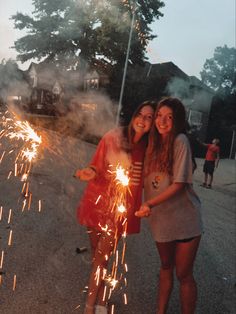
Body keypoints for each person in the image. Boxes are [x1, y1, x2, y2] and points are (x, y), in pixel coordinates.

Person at [75, 101, 156, 314]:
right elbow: (97, 164)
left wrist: (150, 203)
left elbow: (152, 179)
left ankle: (90, 307)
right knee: (98, 257)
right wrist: (90, 171)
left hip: (119, 211)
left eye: (149, 117)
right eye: (141, 114)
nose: (143, 120)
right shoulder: (114, 136)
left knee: (101, 258)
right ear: (134, 115)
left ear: (152, 124)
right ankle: (101, 298)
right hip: (97, 203)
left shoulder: (148, 149)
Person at [135, 97, 203, 314]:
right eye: (159, 116)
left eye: (169, 117)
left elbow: (180, 184)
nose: (162, 121)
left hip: (185, 221)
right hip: (160, 221)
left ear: (178, 120)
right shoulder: (151, 144)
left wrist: (149, 203)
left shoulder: (180, 140)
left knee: (184, 274)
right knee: (165, 267)